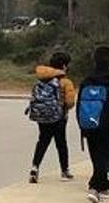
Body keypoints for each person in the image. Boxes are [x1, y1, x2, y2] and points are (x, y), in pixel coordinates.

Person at [77, 46, 109, 203]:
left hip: (90, 123)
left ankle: (103, 186)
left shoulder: (87, 80)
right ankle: (95, 187)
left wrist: (82, 125)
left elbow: (80, 105)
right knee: (104, 156)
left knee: (96, 155)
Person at [28, 52, 77, 183]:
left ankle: (34, 168)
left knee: (42, 141)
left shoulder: (41, 80)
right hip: (59, 117)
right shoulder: (65, 81)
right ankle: (64, 171)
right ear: (64, 66)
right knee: (61, 143)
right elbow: (70, 102)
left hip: (42, 116)